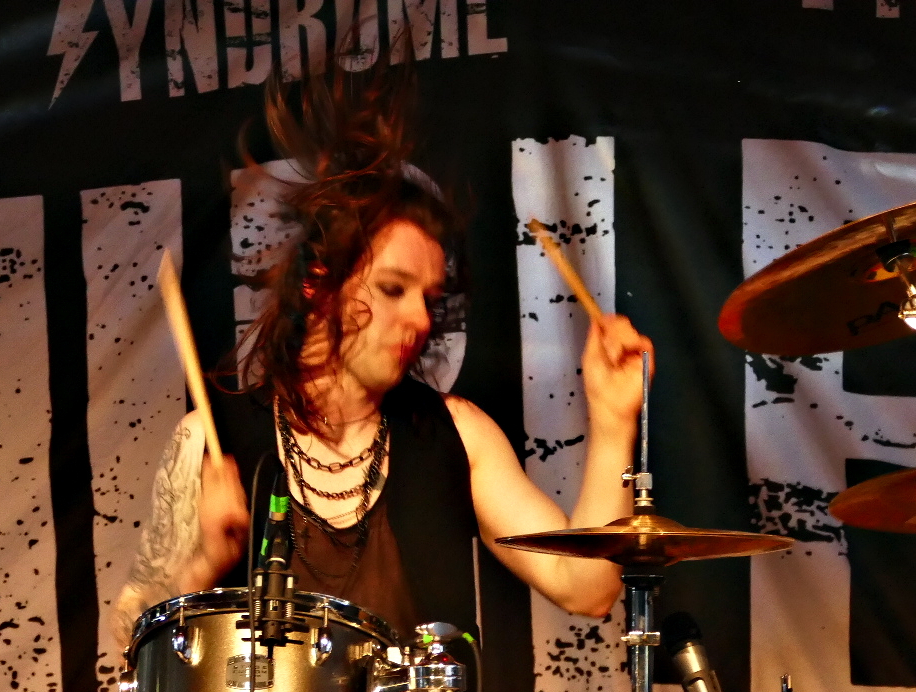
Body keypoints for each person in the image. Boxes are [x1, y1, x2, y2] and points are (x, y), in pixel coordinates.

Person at [112, 71, 652, 660]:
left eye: (429, 298)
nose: (419, 319)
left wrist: (613, 421)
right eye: (394, 289)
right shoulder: (210, 441)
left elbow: (588, 590)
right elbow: (129, 640)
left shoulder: (458, 434)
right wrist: (202, 564)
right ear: (319, 286)